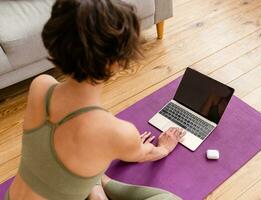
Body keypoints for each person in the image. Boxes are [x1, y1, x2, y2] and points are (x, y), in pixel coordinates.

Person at [5, 0, 185, 200]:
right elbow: (147, 153)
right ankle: (99, 183)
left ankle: (96, 181)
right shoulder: (116, 132)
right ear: (117, 62)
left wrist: (121, 144)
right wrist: (162, 148)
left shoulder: (41, 86)